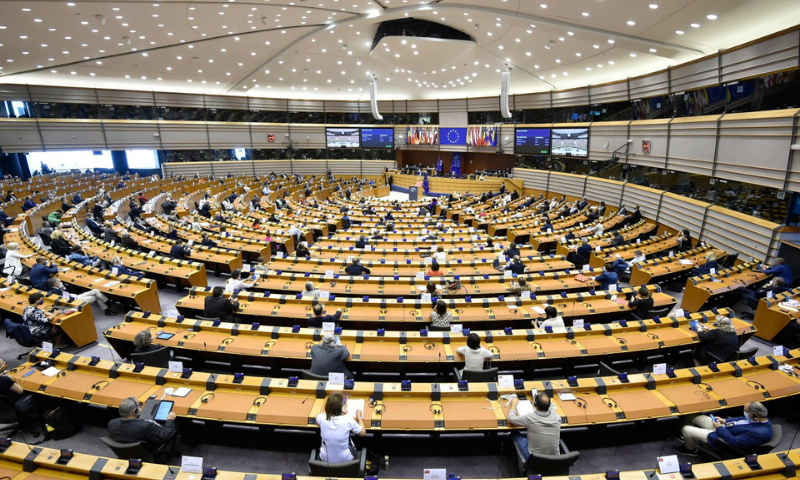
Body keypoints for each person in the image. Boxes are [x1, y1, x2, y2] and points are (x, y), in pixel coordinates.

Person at [674, 402, 773, 457]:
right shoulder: (757, 418)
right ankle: (685, 438)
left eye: (745, 411)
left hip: (720, 436)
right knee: (692, 415)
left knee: (687, 429)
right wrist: (724, 421)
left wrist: (720, 428)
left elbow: (735, 442)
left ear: (754, 415)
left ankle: (690, 450)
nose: (744, 413)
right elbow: (740, 419)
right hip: (724, 427)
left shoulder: (759, 433)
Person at [107, 397, 177, 454]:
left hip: (123, 452)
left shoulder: (112, 423)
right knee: (176, 426)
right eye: (139, 405)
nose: (140, 407)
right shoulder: (147, 425)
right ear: (135, 411)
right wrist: (170, 420)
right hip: (146, 452)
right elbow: (165, 436)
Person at [508, 392, 562, 461]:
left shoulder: (530, 418)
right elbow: (550, 409)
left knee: (514, 434)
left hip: (534, 460)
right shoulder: (557, 417)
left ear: (535, 404)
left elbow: (511, 419)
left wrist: (513, 405)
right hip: (554, 460)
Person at [315, 393, 365, 463]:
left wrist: (330, 409)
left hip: (325, 459)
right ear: (341, 407)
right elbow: (363, 433)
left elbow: (319, 415)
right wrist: (359, 416)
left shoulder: (321, 418)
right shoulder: (348, 419)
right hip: (346, 459)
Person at [47, 278, 114, 316]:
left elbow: (68, 292)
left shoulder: (57, 288)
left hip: (75, 296)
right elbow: (64, 300)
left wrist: (64, 288)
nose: (61, 283)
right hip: (75, 300)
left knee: (96, 291)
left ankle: (108, 304)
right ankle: (108, 308)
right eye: (59, 282)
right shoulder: (54, 292)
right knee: (96, 296)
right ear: (55, 284)